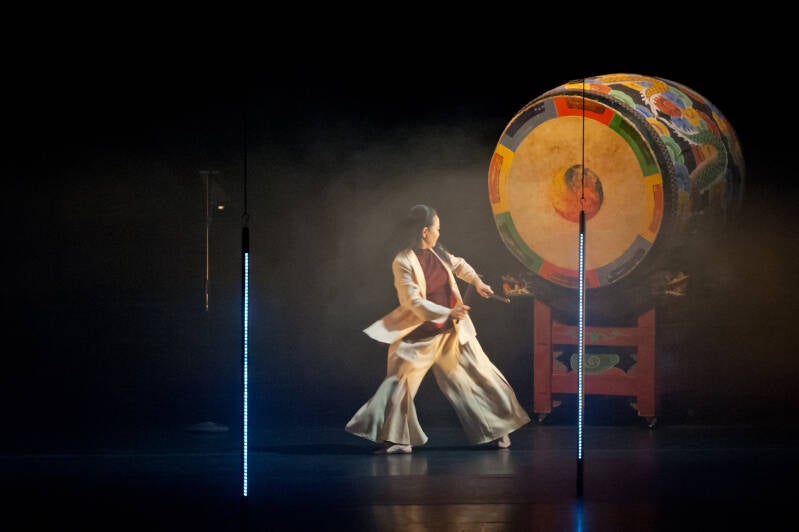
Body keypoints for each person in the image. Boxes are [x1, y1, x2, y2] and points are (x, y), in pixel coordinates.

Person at [345, 204, 531, 454]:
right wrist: (448, 311)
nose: (439, 233)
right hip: (418, 335)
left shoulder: (438, 253)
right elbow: (412, 302)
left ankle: (500, 429)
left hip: (451, 334)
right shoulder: (403, 261)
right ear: (425, 231)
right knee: (398, 384)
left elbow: (459, 265)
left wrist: (477, 282)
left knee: (478, 376)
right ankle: (399, 440)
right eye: (437, 228)